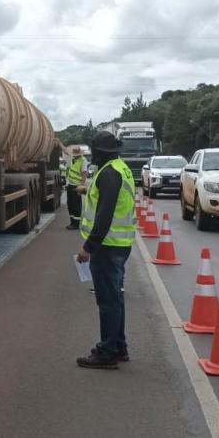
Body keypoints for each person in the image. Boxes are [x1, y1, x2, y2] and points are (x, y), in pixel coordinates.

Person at [76, 131, 136, 370]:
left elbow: (104, 215)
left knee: (108, 300)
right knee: (115, 297)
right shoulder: (121, 168)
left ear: (99, 153)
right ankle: (119, 346)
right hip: (119, 245)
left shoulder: (109, 174)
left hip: (107, 247)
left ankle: (107, 351)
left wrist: (88, 247)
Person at [65, 149, 88, 230]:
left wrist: (81, 186)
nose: (75, 156)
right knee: (70, 204)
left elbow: (84, 173)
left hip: (77, 186)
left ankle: (76, 224)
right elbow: (66, 151)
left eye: (76, 155)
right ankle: (72, 222)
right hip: (70, 185)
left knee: (76, 206)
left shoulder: (83, 160)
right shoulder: (72, 159)